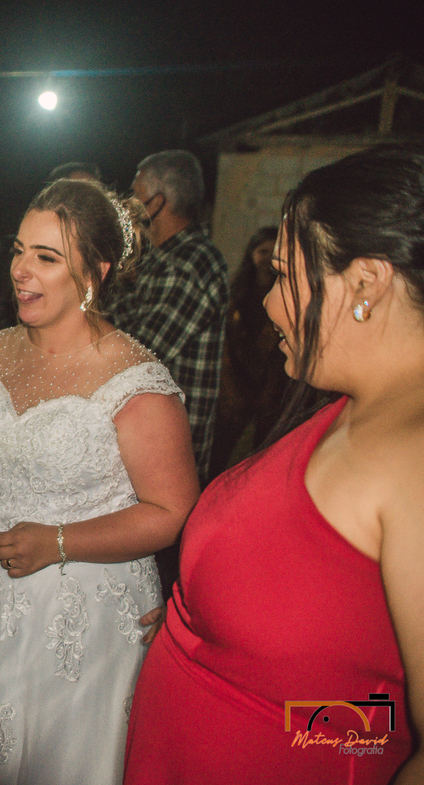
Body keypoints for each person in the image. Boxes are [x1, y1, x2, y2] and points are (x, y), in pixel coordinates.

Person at [123, 144, 424, 784]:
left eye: (285, 276)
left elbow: (378, 730)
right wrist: (206, 633)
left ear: (365, 283)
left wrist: (268, 720)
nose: (266, 302)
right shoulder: (348, 404)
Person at [0, 179, 199, 785]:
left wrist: (59, 541)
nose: (22, 271)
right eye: (19, 251)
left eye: (46, 258)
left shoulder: (136, 382)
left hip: (80, 616)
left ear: (95, 272)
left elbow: (170, 509)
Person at [108, 150, 229, 483]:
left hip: (166, 459)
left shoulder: (191, 263)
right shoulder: (161, 259)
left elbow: (138, 356)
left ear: (157, 202)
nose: (128, 206)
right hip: (145, 443)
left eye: (135, 196)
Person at [208, 226, 289, 477]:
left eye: (271, 252)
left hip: (269, 395)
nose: (266, 259)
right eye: (261, 251)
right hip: (232, 395)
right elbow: (226, 345)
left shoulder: (283, 299)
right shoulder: (236, 294)